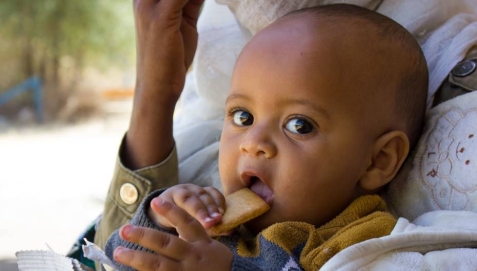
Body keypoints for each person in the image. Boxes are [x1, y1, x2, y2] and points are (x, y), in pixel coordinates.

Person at [98, 2, 428, 270]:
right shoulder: (212, 218)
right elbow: (108, 260)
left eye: (299, 125)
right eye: (243, 117)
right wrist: (159, 220)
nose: (252, 142)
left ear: (377, 161)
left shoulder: (362, 245)